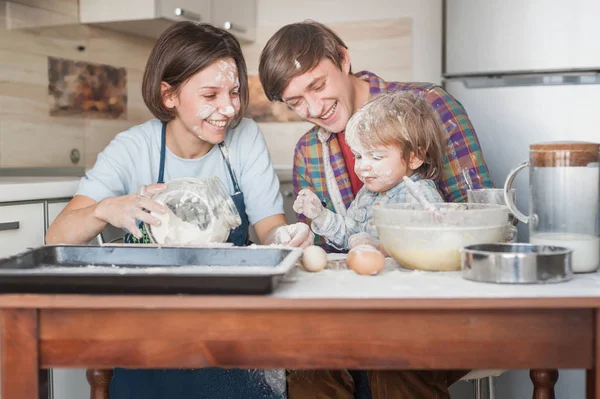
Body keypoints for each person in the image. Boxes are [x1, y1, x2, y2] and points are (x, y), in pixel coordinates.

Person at [46, 21, 313, 399]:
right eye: (211, 94)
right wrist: (105, 209)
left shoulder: (244, 138)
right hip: (150, 328)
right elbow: (56, 236)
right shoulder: (132, 148)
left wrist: (285, 238)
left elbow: (270, 227)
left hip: (227, 322)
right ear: (168, 95)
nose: (228, 108)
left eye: (235, 92)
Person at [258, 20, 479, 399]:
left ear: (343, 60)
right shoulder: (310, 150)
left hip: (434, 311)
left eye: (317, 85)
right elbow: (327, 251)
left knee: (394, 362)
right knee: (307, 366)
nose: (314, 108)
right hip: (350, 315)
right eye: (296, 102)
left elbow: (480, 221)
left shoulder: (429, 106)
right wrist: (306, 235)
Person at [293, 91, 445, 252]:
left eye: (376, 157)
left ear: (415, 157)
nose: (362, 166)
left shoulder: (421, 196)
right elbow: (349, 236)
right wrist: (321, 216)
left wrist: (382, 248)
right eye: (358, 156)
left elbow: (433, 243)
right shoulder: (366, 195)